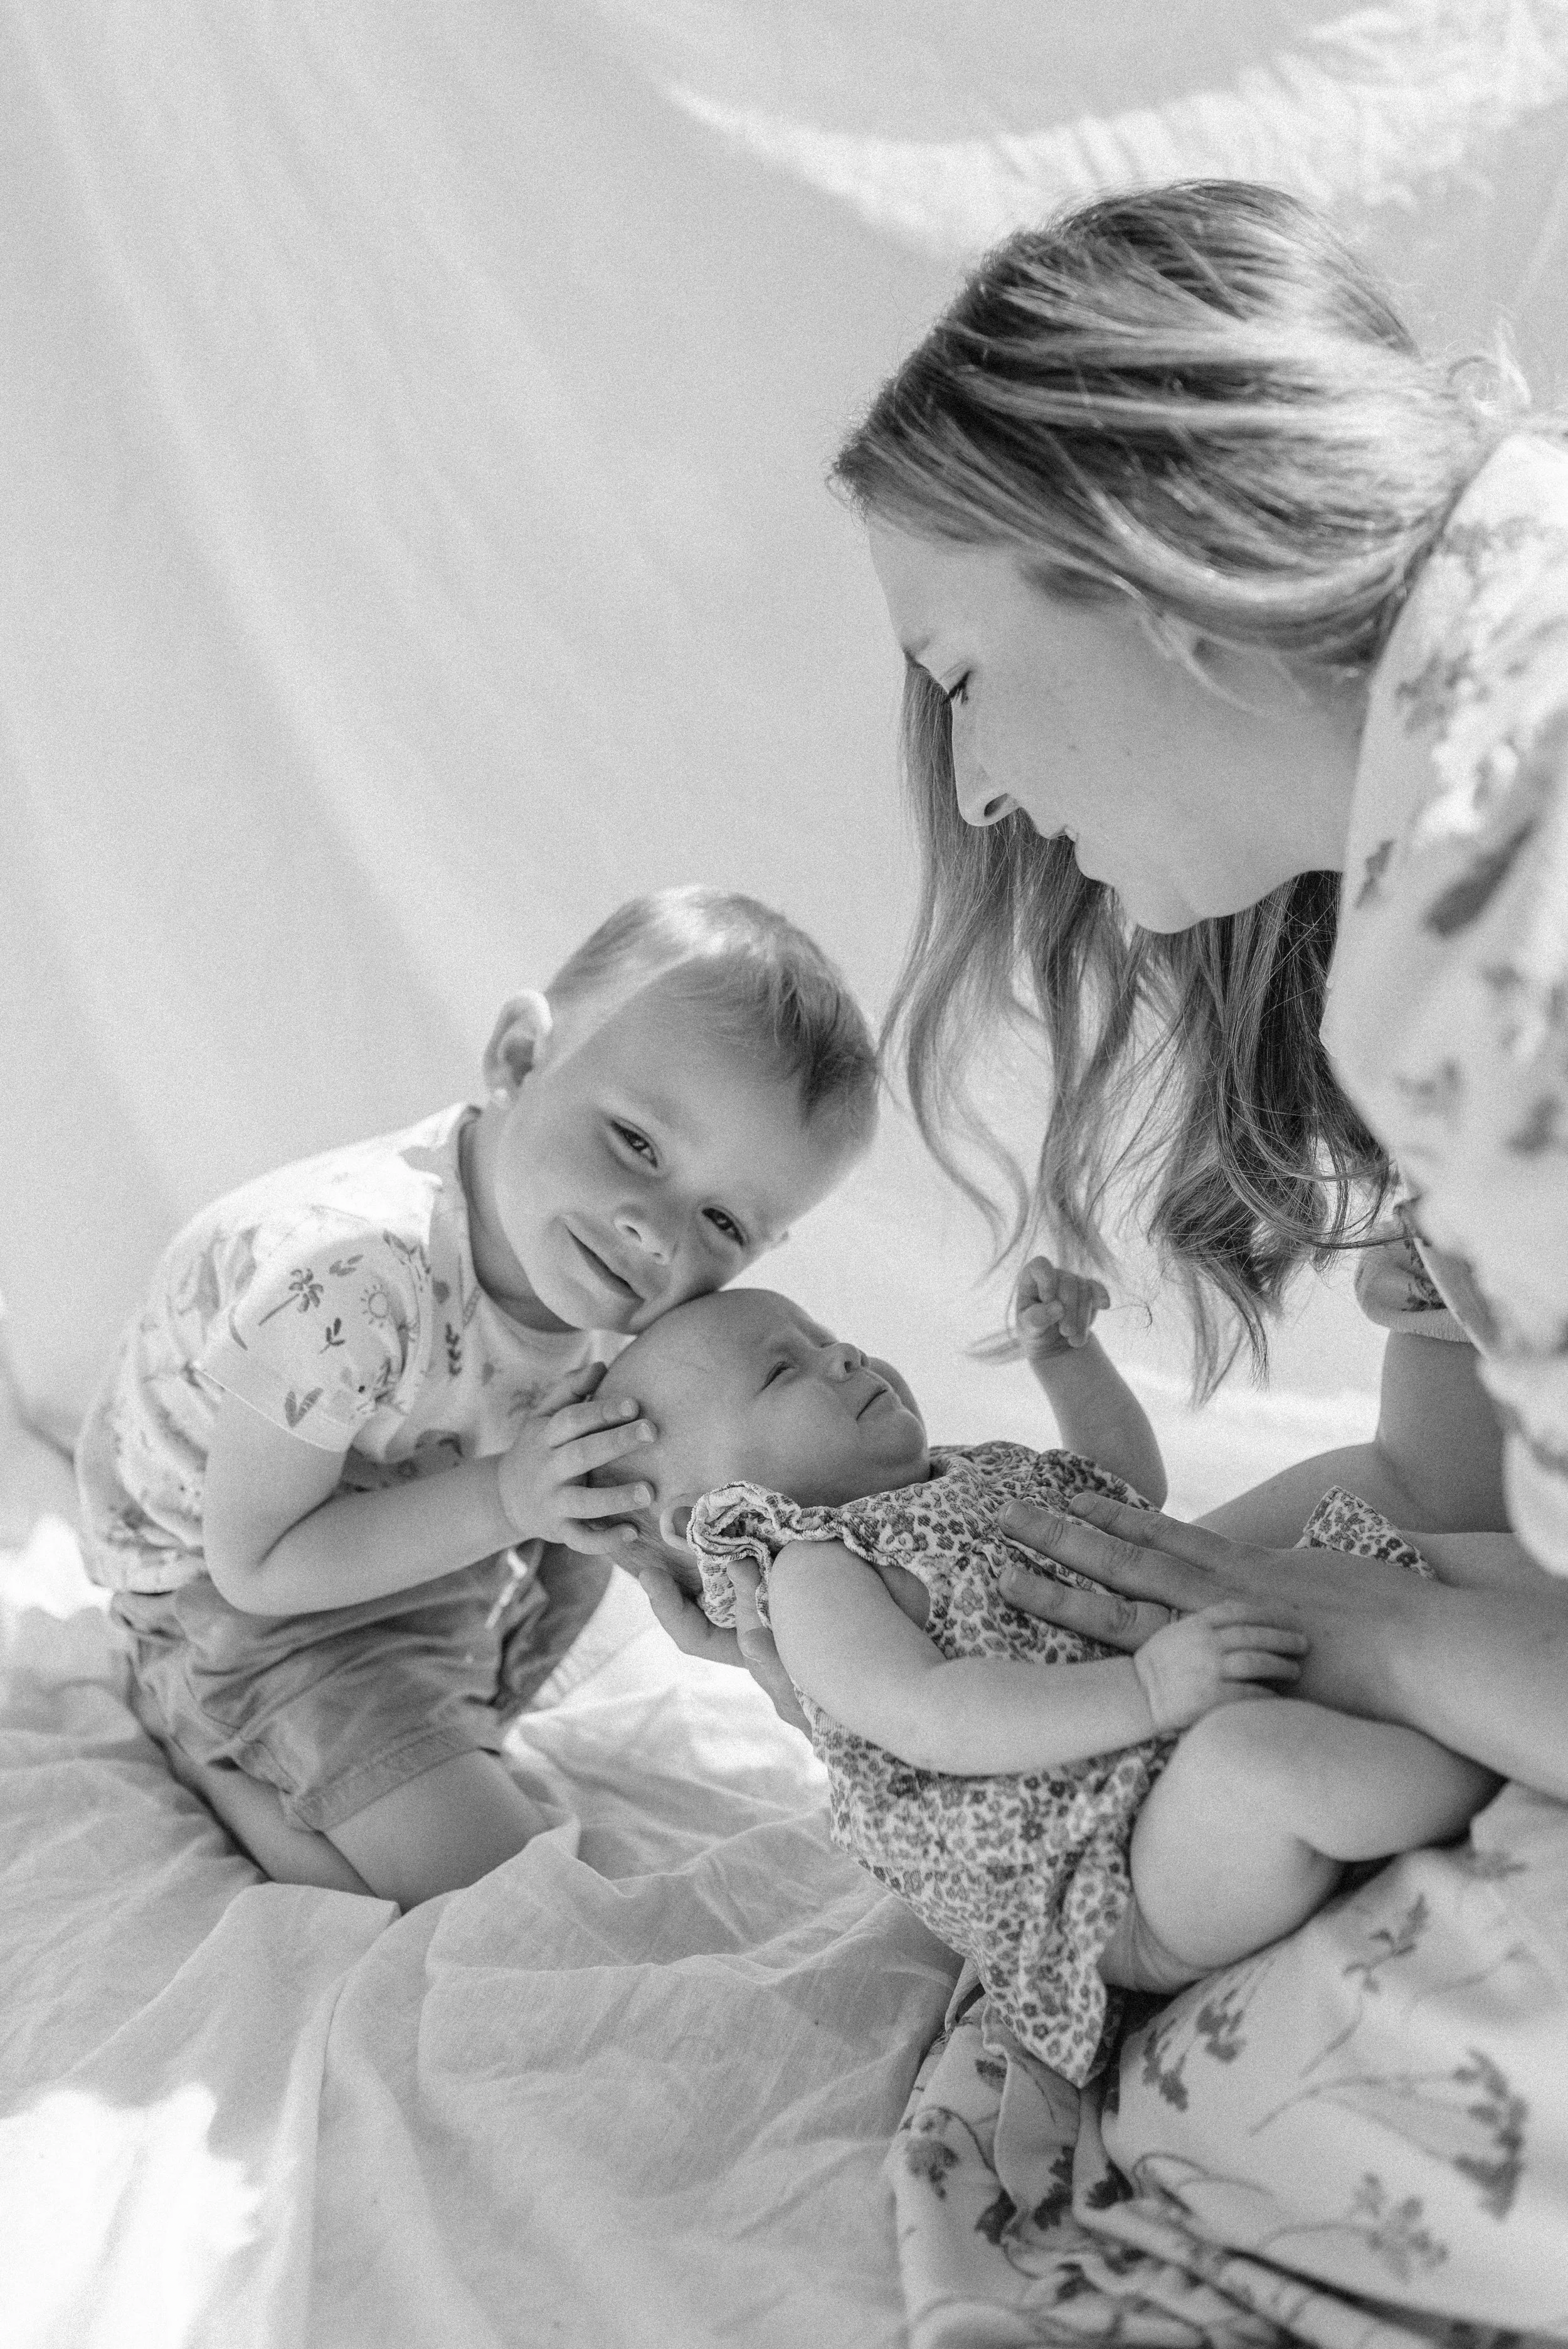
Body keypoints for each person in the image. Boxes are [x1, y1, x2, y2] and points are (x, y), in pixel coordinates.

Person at [647, 179, 1568, 1801]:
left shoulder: (1483, 936)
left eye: (960, 682)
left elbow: (1437, 1586)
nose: (982, 793)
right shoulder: (1476, 710)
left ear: (1149, 579)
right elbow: (1454, 1498)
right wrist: (958, 1623)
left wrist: (1381, 1640)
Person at [75, 887, 879, 1907]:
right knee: (506, 1890)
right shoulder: (351, 1280)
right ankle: (208, 1739)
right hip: (231, 1586)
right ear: (517, 1058)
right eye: (637, 1143)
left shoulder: (585, 1249)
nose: (655, 1231)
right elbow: (257, 1564)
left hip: (413, 1537)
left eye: (722, 1219)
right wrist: (508, 1497)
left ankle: (386, 1751)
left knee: (584, 1520)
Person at [596, 1274, 1493, 2084]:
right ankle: (1491, 1783)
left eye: (825, 1333)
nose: (840, 1353)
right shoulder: (816, 1573)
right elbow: (932, 1715)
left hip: (1174, 1736)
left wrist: (1068, 1362)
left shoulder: (973, 1474)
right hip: (1110, 1882)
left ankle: (1476, 1729)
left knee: (1364, 1595)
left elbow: (1124, 1492)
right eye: (782, 1372)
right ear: (705, 1512)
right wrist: (1144, 1692)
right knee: (1261, 1761)